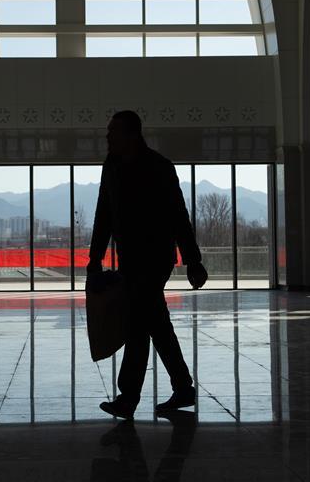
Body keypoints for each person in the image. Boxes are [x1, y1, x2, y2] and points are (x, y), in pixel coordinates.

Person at [88, 110, 208, 420]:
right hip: (130, 259)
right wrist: (94, 258)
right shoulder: (111, 167)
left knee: (138, 322)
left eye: (112, 132)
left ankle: (129, 397)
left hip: (155, 259)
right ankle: (182, 387)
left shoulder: (159, 168)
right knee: (155, 322)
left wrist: (193, 261)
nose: (107, 137)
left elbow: (179, 218)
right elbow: (104, 213)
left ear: (131, 134)